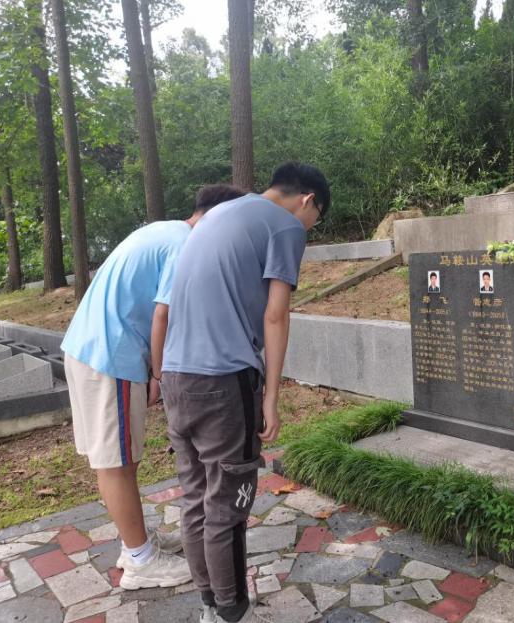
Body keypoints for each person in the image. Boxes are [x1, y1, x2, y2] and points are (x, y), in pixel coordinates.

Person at [161, 162, 330, 623]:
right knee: (228, 507)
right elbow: (276, 315)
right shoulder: (285, 225)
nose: (309, 228)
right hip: (223, 382)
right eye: (315, 219)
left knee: (196, 498)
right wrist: (271, 398)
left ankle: (210, 606)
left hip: (176, 379)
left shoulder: (218, 214)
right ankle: (232, 613)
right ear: (307, 200)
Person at [61, 184, 245, 591]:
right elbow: (163, 315)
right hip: (111, 354)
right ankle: (140, 561)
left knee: (118, 459)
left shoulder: (166, 231)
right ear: (218, 218)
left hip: (92, 347)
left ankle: (136, 544)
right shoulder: (186, 246)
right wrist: (160, 376)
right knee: (116, 462)